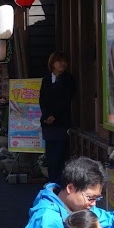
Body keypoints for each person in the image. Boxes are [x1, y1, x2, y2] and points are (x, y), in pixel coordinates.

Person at [39, 51, 75, 185]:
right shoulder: (46, 79)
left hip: (61, 122)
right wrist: (47, 116)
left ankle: (58, 184)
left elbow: (66, 100)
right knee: (50, 155)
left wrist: (54, 115)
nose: (62, 64)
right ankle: (51, 182)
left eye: (64, 61)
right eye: (59, 61)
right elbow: (42, 100)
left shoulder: (68, 79)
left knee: (59, 155)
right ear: (52, 63)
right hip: (47, 123)